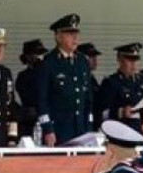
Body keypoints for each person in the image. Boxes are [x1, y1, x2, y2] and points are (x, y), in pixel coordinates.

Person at [37, 13, 94, 146]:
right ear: (58, 36)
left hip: (81, 129)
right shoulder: (48, 62)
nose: (75, 38)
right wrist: (47, 129)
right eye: (69, 34)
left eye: (76, 34)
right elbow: (42, 101)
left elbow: (88, 98)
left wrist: (89, 126)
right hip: (58, 130)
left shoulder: (82, 61)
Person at [97, 43, 143, 133]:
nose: (133, 64)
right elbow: (102, 113)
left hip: (142, 132)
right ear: (119, 60)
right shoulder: (111, 82)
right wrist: (121, 112)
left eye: (136, 60)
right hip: (122, 132)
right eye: (129, 60)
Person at [16, 39, 48, 139]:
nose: (40, 58)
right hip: (30, 120)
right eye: (36, 54)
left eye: (41, 54)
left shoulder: (46, 73)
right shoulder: (23, 76)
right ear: (28, 56)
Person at [77, 42, 104, 129]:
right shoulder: (78, 79)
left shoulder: (92, 79)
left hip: (93, 123)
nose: (95, 60)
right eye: (91, 57)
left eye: (95, 57)